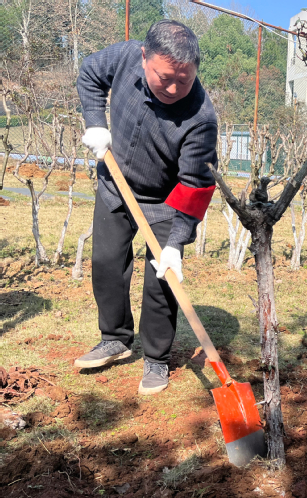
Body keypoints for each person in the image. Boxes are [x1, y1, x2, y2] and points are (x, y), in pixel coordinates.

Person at [74, 20, 218, 395]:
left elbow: (196, 184)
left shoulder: (201, 119)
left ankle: (156, 359)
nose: (173, 89)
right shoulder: (125, 56)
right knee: (107, 263)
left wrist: (176, 243)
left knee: (161, 282)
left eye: (184, 80)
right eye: (164, 77)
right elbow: (89, 72)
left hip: (166, 202)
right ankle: (115, 339)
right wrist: (95, 124)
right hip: (115, 183)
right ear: (144, 57)